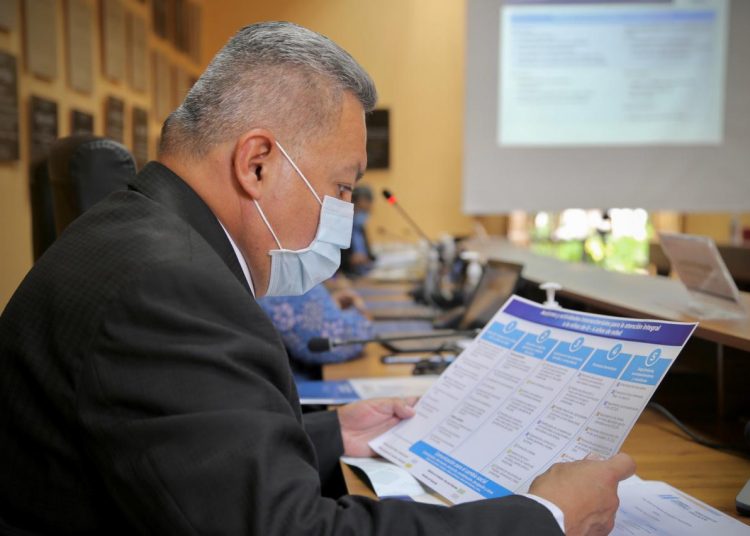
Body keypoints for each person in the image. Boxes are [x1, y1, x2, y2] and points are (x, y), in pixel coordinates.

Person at [0, 21, 634, 535]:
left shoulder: (139, 235)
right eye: (342, 186)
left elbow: (182, 438)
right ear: (257, 163)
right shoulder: (171, 285)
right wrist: (545, 518)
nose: (345, 214)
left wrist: (332, 434)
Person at [258, 282, 372, 378]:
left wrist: (327, 305)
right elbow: (346, 340)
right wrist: (361, 309)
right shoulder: (289, 278)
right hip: (286, 385)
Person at [341, 184, 376, 275]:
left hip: (362, 276)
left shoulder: (361, 229)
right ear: (351, 204)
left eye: (367, 211)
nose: (364, 214)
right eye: (361, 209)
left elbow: (368, 255)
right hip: (345, 277)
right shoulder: (340, 229)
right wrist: (351, 259)